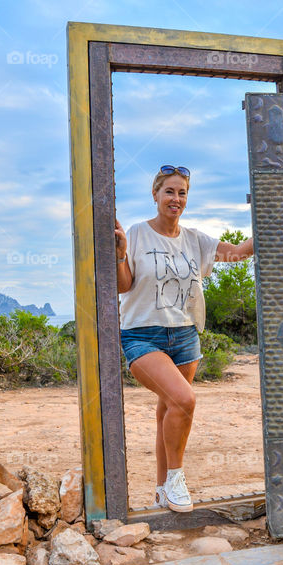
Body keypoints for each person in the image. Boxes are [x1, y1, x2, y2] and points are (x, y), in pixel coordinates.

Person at [114, 165, 254, 513]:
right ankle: (176, 478)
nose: (175, 199)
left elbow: (237, 252)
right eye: (169, 192)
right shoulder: (137, 234)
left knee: (168, 409)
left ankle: (162, 489)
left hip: (186, 335)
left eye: (182, 193)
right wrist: (119, 254)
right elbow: (123, 285)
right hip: (143, 334)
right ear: (155, 195)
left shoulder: (195, 239)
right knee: (184, 400)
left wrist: (272, 212)